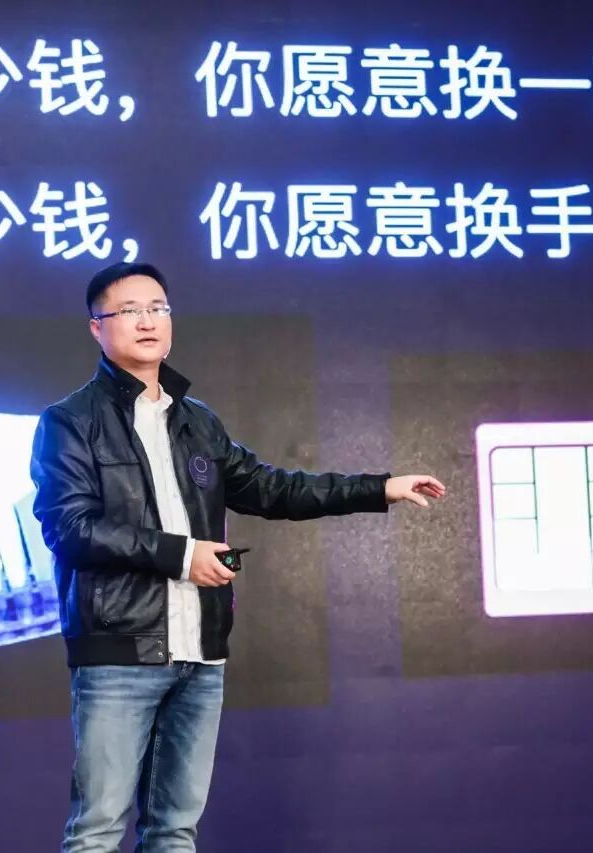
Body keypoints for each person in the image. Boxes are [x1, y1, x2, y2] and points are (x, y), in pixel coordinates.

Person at [29, 261, 447, 852]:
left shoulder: (198, 423)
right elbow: (70, 528)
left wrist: (378, 488)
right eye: (130, 311)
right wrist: (181, 556)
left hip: (202, 656)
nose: (148, 321)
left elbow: (274, 489)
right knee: (97, 831)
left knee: (175, 831)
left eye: (158, 308)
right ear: (97, 327)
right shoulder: (69, 422)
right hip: (119, 654)